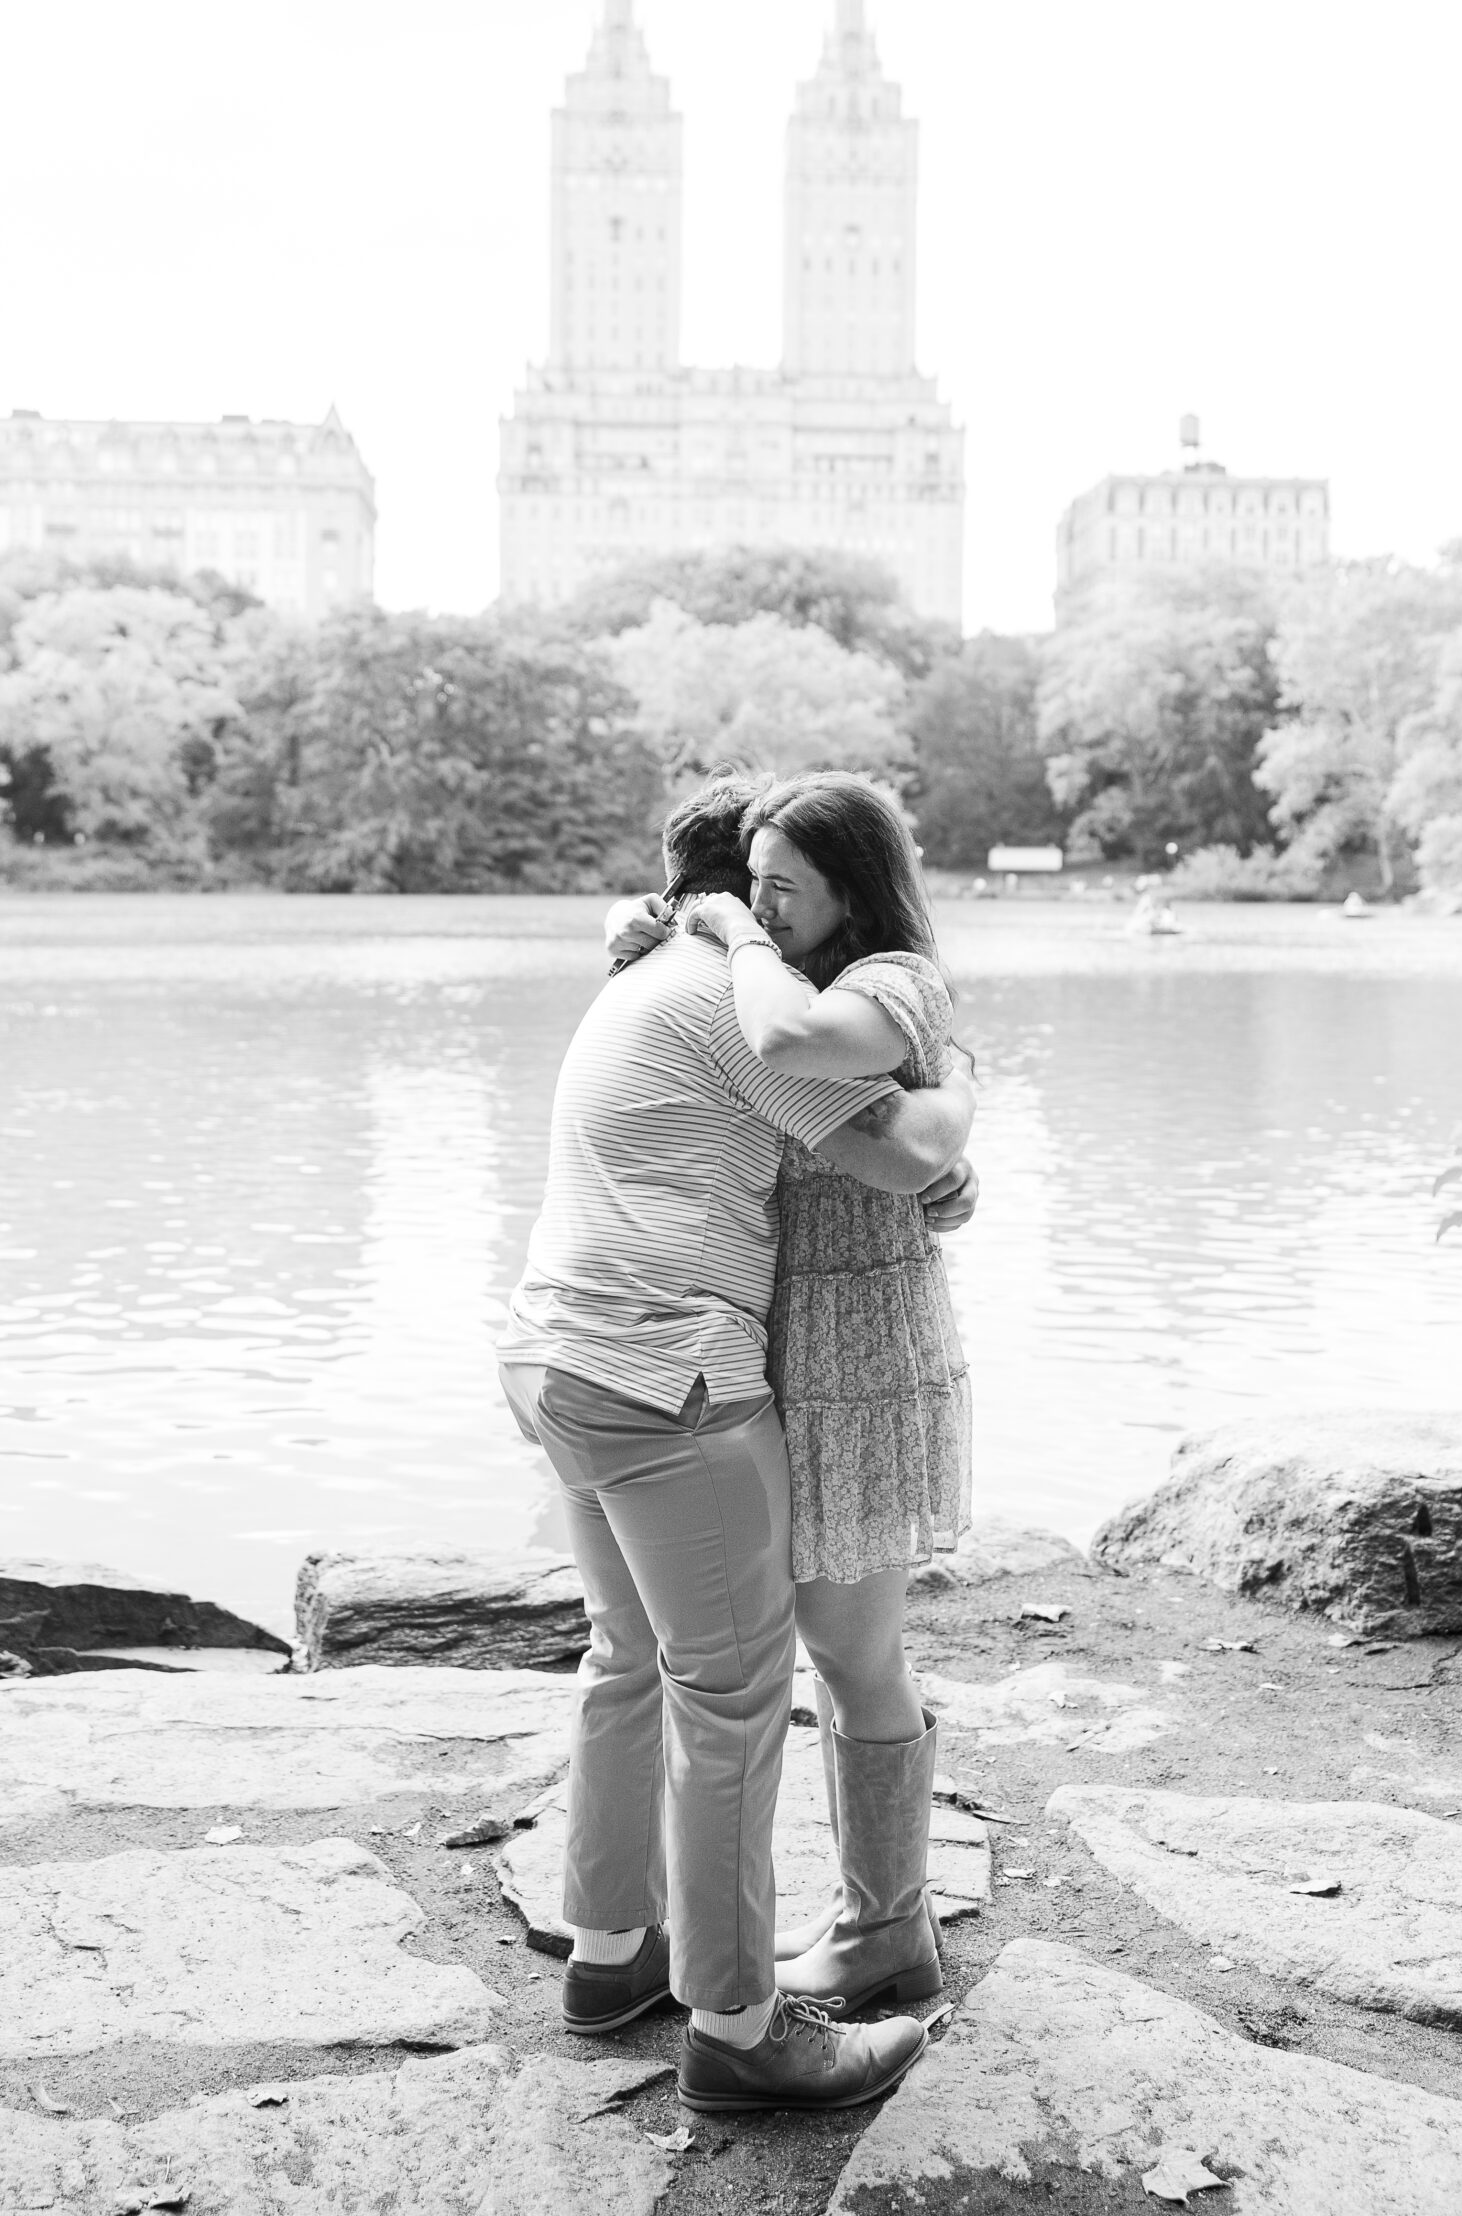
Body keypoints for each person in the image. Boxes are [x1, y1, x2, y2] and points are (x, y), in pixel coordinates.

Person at [502, 773, 978, 2116]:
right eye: (758, 893)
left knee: (627, 1658)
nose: (772, 914)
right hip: (665, 1380)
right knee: (731, 1696)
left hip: (553, 1355)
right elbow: (905, 1157)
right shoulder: (736, 1007)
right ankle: (739, 2027)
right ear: (734, 899)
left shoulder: (644, 979)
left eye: (790, 893)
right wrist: (961, 1116)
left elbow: (904, 1131)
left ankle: (611, 1959)